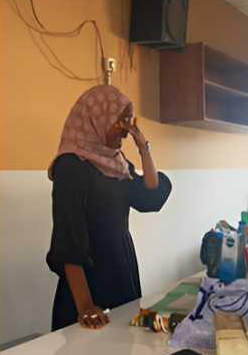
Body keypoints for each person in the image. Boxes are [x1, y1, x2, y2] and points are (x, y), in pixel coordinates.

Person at [46, 85, 172, 331]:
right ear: (98, 117)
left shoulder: (117, 162)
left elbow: (150, 197)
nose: (125, 131)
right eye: (120, 122)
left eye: (128, 123)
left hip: (120, 270)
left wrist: (143, 148)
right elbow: (68, 238)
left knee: (120, 353)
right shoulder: (71, 165)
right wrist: (85, 306)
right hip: (89, 280)